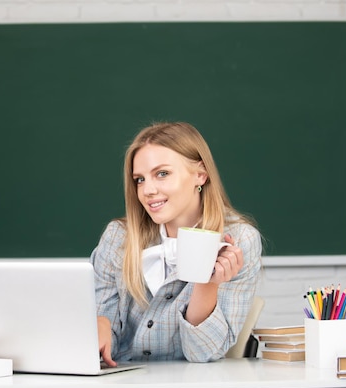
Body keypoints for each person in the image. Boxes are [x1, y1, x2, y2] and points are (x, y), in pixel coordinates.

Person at [90, 122, 262, 365]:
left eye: (162, 174)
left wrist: (207, 284)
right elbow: (104, 348)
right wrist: (100, 324)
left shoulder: (239, 241)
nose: (147, 190)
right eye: (139, 179)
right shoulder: (119, 238)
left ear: (200, 174)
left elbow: (204, 353)